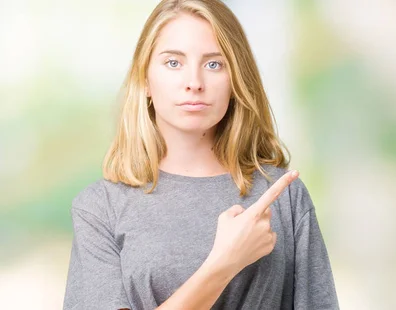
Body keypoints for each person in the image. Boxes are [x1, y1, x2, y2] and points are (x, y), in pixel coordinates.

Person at [62, 0, 339, 309]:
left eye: (213, 64)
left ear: (236, 80)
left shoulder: (284, 197)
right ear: (145, 80)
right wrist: (224, 263)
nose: (194, 83)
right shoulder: (100, 209)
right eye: (173, 63)